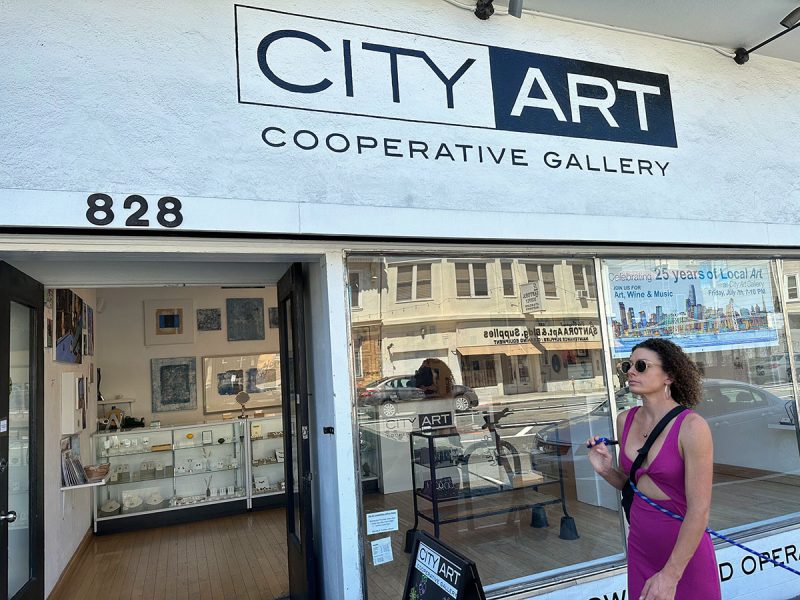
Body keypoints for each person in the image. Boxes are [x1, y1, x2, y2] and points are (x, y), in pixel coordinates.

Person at [587, 338, 720, 600]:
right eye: (628, 364)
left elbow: (699, 510)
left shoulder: (692, 427)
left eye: (641, 365)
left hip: (683, 553)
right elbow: (635, 484)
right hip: (641, 546)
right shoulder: (625, 420)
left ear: (669, 375)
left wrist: (670, 575)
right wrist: (606, 471)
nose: (631, 371)